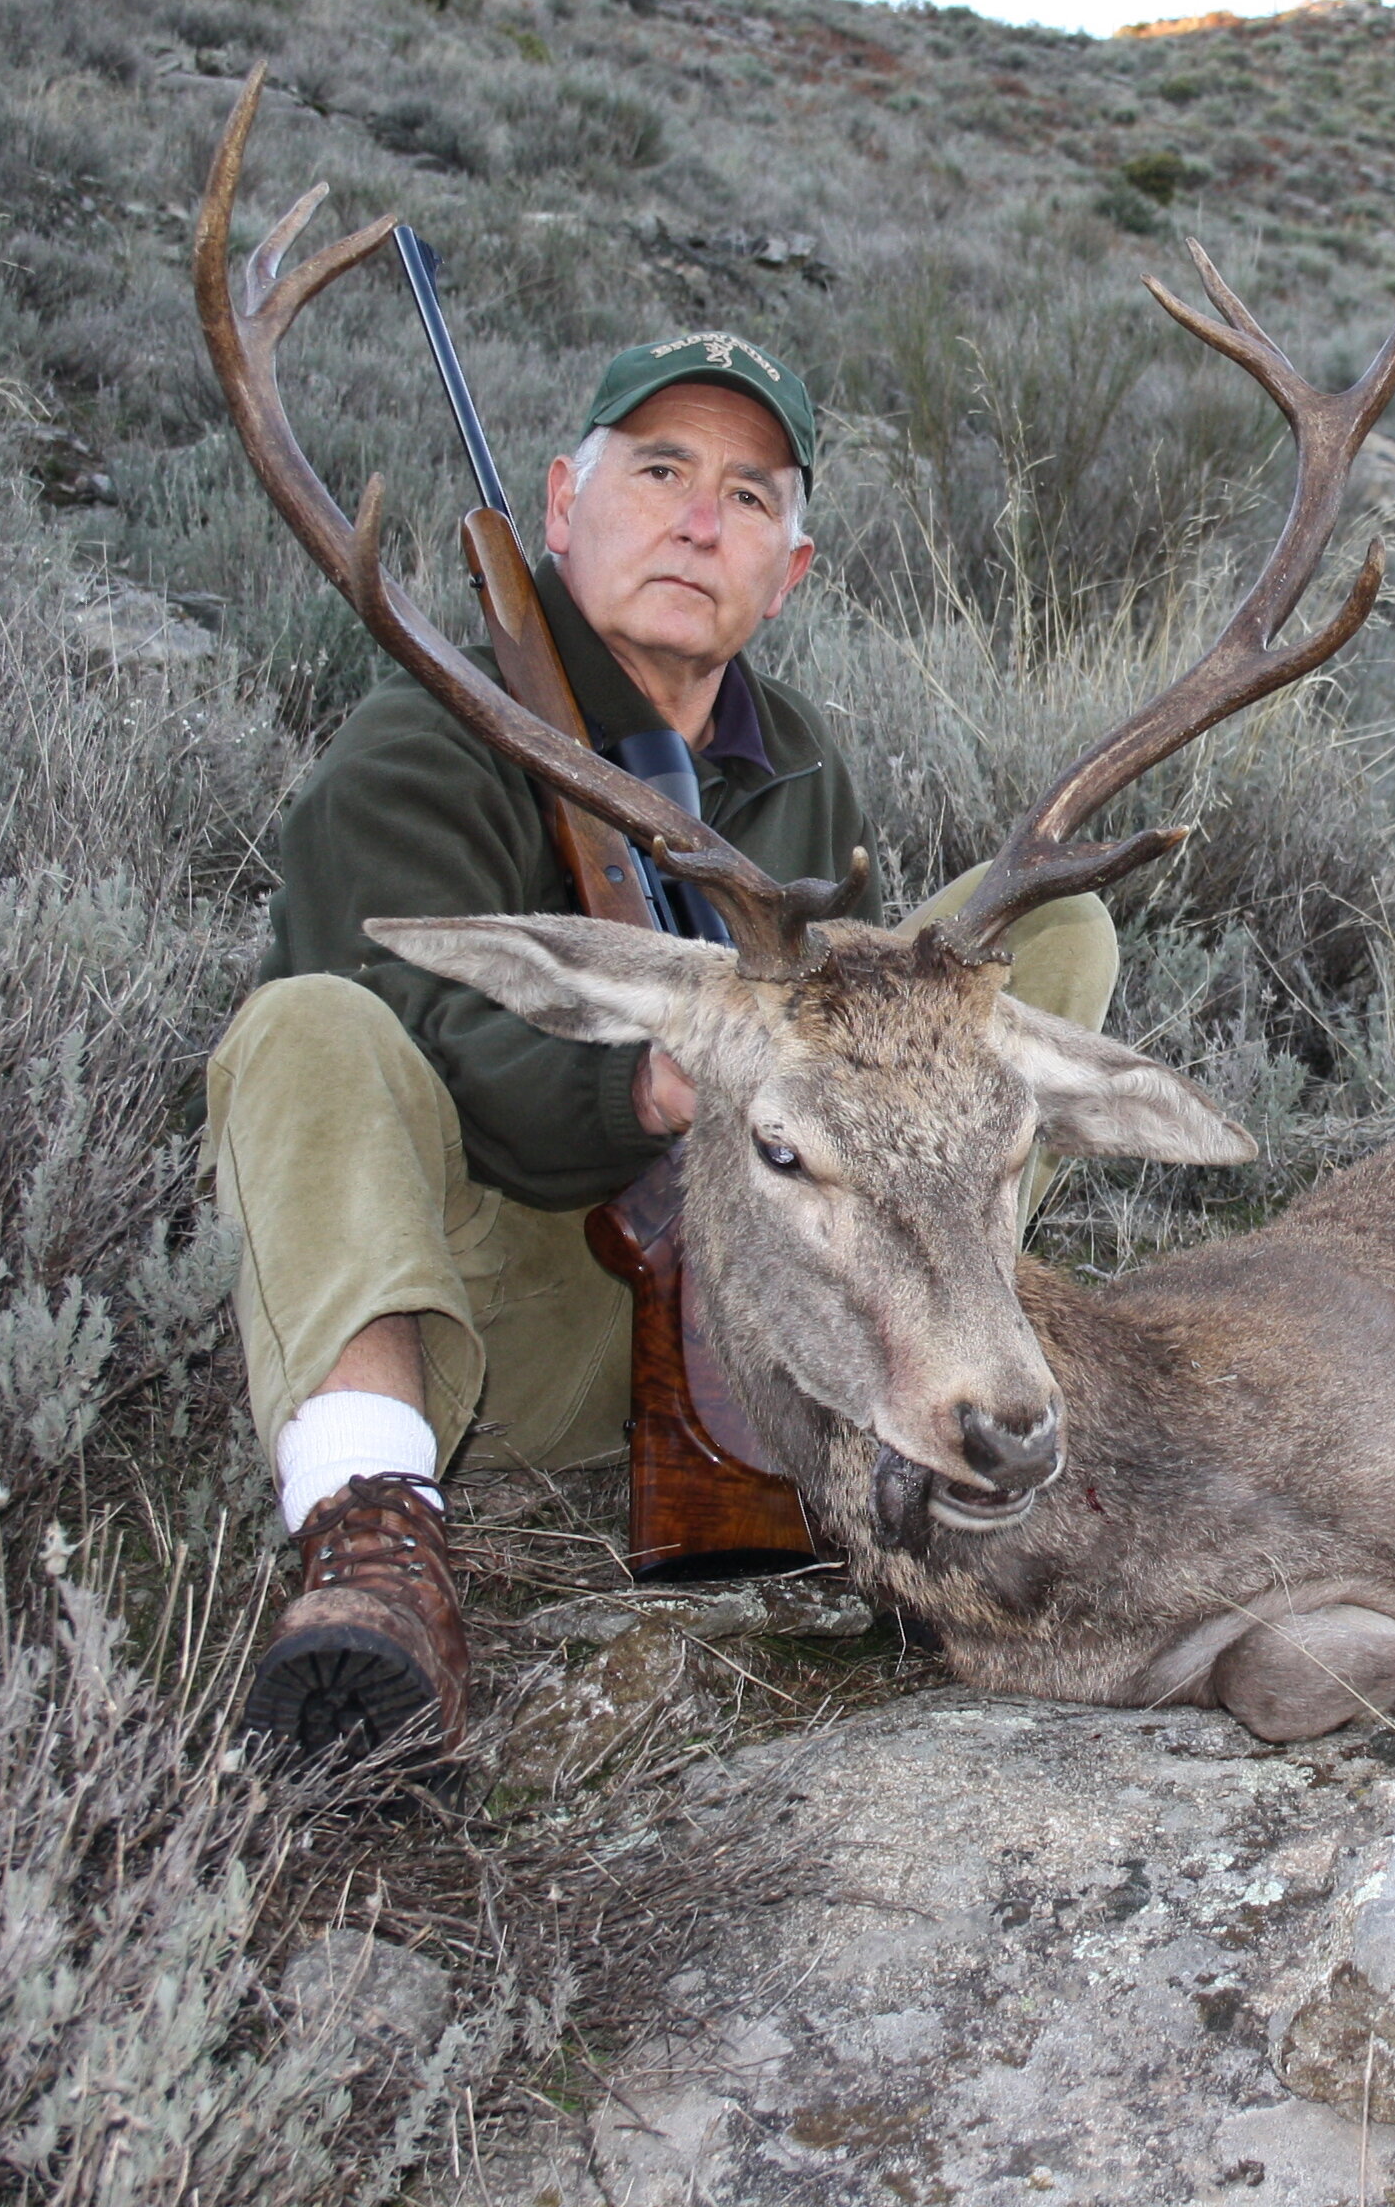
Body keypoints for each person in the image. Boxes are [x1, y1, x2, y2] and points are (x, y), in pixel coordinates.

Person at [207, 331, 1114, 1763]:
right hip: (498, 1323)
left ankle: (922, 1398)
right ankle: (376, 1543)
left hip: (760, 1307)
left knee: (1043, 945)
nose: (702, 519)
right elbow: (418, 1052)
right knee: (306, 1030)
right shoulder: (419, 745)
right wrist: (656, 1076)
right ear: (562, 505)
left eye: (751, 496)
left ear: (790, 571)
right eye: (662, 470)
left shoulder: (796, 754)